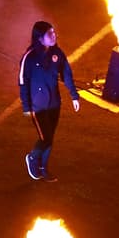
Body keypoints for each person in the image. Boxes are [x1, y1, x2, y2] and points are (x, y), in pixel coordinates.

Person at [19, 20, 80, 182]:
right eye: (49, 34)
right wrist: (26, 106)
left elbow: (66, 74)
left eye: (53, 32)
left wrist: (74, 95)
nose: (54, 36)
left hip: (54, 103)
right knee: (45, 137)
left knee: (50, 137)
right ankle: (32, 158)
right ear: (40, 38)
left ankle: (43, 168)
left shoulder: (57, 53)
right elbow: (23, 82)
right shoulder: (29, 57)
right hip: (37, 106)